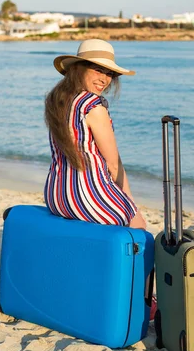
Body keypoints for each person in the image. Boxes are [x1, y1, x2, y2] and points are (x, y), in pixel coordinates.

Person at [43, 39, 147, 229]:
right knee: (139, 228)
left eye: (109, 74)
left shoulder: (58, 99)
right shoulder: (92, 105)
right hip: (87, 196)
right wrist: (131, 206)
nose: (104, 79)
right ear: (78, 68)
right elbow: (113, 165)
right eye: (98, 70)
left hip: (55, 196)